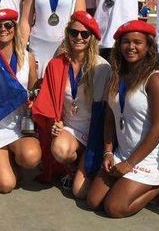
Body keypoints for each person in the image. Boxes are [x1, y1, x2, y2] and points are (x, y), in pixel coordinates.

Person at [87, 20, 159, 217]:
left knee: (114, 208)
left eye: (137, 42)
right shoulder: (117, 76)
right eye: (125, 42)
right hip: (122, 152)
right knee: (93, 201)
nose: (131, 47)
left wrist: (130, 164)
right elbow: (110, 117)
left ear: (149, 47)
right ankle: (143, 183)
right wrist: (108, 152)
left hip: (149, 158)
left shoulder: (156, 79)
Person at [33, 11, 111, 197]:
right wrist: (55, 123)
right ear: (68, 33)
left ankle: (88, 161)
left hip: (94, 132)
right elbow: (48, 102)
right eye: (74, 32)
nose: (79, 37)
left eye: (85, 34)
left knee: (80, 192)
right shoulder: (56, 64)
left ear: (92, 38)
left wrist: (100, 148)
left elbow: (105, 112)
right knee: (60, 150)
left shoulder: (101, 68)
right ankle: (74, 166)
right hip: (69, 130)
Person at [0, 9, 41, 193]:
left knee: (31, 157)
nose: (3, 29)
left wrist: (33, 99)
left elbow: (33, 90)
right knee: (6, 185)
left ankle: (11, 159)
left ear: (15, 28)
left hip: (18, 127)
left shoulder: (27, 57)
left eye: (8, 25)